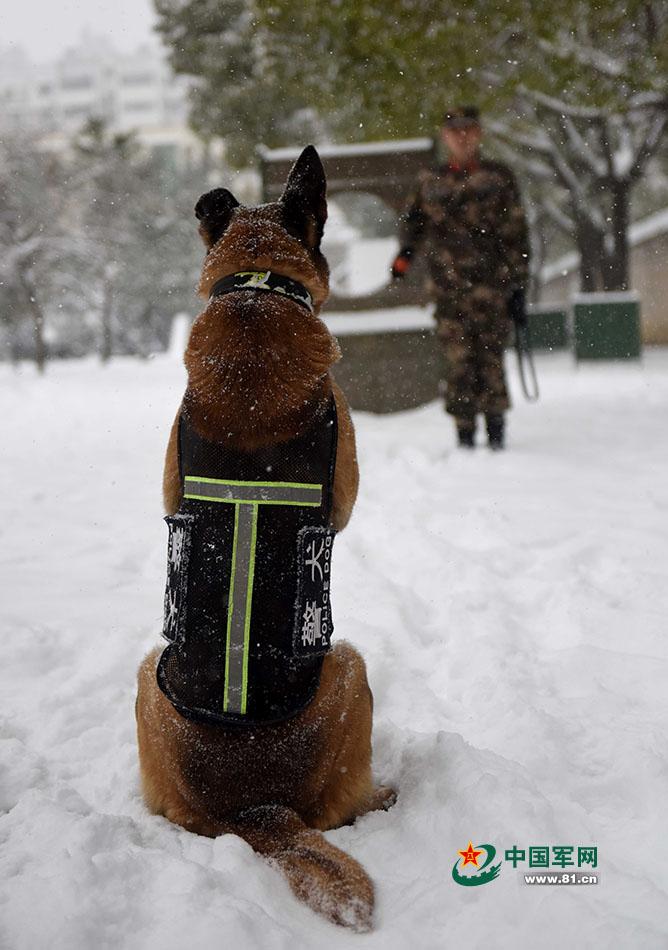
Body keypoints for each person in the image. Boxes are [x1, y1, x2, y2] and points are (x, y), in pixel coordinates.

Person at [392, 106, 530, 450]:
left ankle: (496, 430)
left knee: (491, 359)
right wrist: (403, 259)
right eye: (455, 130)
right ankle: (464, 433)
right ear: (445, 136)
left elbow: (517, 235)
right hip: (447, 289)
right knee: (458, 361)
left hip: (492, 288)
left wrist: (518, 286)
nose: (462, 136)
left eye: (468, 129)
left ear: (479, 133)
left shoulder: (498, 178)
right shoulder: (429, 181)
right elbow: (414, 225)